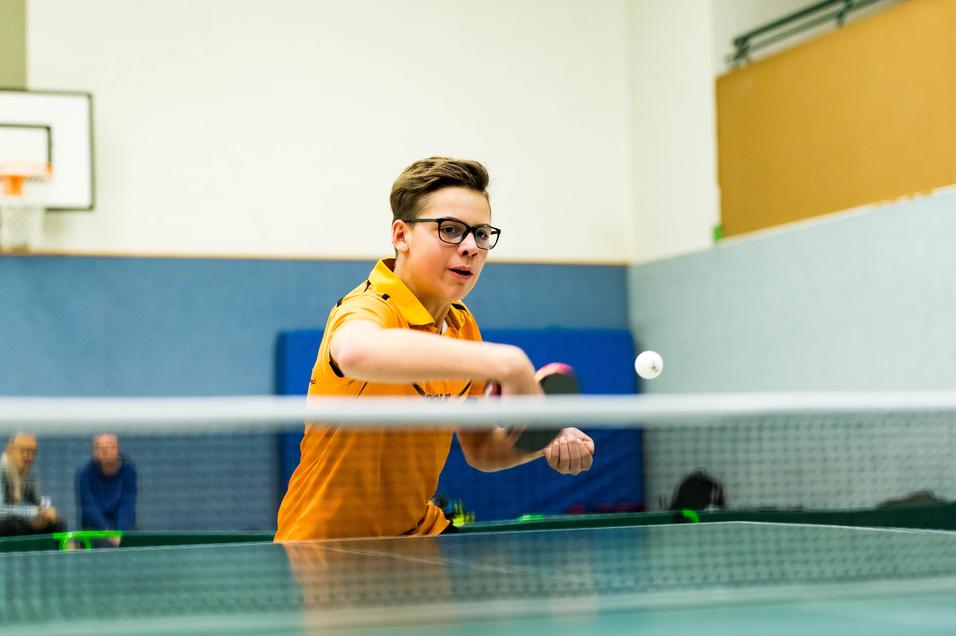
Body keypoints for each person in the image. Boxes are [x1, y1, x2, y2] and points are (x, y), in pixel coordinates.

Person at [275, 157, 595, 541]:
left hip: (417, 533)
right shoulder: (369, 306)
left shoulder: (462, 325)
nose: (471, 247)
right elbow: (356, 352)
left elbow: (481, 450)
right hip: (329, 544)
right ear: (401, 236)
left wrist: (540, 439)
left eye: (481, 233)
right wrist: (507, 362)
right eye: (450, 230)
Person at [76, 433, 137, 546]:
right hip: (95, 529)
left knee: (133, 541)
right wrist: (106, 531)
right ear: (95, 452)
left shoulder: (129, 472)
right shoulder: (85, 475)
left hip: (123, 528)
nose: (106, 451)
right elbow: (89, 508)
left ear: (117, 449)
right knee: (103, 544)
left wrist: (120, 532)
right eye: (101, 448)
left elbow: (127, 506)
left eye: (111, 447)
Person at [0, 433, 66, 535]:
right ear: (10, 450)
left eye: (32, 452)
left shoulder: (29, 472)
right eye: (23, 450)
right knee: (13, 525)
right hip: (5, 522)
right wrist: (34, 512)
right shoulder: (2, 469)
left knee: (57, 522)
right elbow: (2, 511)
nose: (28, 456)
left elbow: (39, 500)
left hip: (15, 519)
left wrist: (47, 510)